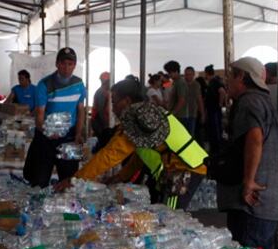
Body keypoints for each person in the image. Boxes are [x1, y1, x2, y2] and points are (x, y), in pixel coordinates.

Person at [56, 78, 208, 210]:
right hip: (176, 169)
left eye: (114, 102)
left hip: (184, 169)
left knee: (171, 217)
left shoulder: (138, 120)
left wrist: (75, 179)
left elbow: (109, 155)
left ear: (127, 101)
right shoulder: (146, 114)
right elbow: (140, 155)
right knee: (162, 214)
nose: (113, 108)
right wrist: (120, 177)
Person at [218, 58, 278, 249]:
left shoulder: (248, 102)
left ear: (242, 77)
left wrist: (248, 181)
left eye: (231, 75)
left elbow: (254, 138)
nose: (227, 81)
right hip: (265, 204)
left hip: (251, 204)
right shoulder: (264, 101)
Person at [23, 47, 86, 187]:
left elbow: (81, 111)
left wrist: (78, 134)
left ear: (74, 65)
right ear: (57, 64)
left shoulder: (79, 84)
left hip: (69, 137)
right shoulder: (44, 85)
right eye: (63, 64)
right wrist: (47, 132)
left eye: (70, 64)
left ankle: (67, 201)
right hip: (45, 137)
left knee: (69, 180)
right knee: (39, 181)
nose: (66, 68)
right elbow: (39, 115)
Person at [202, 65, 225, 157]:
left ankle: (217, 150)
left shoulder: (215, 82)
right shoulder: (212, 82)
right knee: (213, 129)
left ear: (206, 73)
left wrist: (220, 104)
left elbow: (222, 91)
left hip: (214, 109)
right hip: (212, 109)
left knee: (216, 130)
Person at [163, 61, 188, 131]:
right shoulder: (175, 82)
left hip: (180, 116)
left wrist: (173, 113)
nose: (169, 75)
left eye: (170, 72)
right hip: (176, 115)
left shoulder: (180, 83)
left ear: (176, 71)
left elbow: (181, 100)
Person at [181, 66, 204, 137]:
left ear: (193, 75)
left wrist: (202, 114)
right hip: (181, 115)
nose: (187, 76)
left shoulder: (196, 85)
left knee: (190, 135)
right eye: (186, 74)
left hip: (192, 114)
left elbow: (199, 99)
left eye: (189, 74)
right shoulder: (181, 84)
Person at [91, 72, 111, 142]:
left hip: (100, 121)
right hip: (99, 122)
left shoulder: (106, 92)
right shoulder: (101, 92)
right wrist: (106, 125)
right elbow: (101, 111)